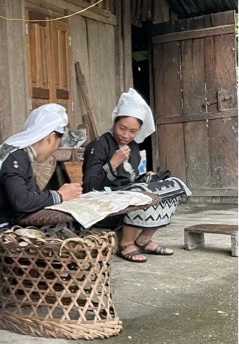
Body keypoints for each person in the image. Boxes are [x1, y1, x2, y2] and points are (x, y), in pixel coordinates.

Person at [82, 88, 191, 262]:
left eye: (133, 131)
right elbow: (89, 187)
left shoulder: (133, 147)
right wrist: (112, 164)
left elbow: (131, 179)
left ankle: (143, 239)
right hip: (104, 204)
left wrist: (147, 178)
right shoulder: (99, 145)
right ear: (114, 121)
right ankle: (125, 244)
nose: (126, 135)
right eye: (122, 128)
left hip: (127, 199)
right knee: (138, 191)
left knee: (174, 185)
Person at [0, 103, 83, 270]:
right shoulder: (15, 157)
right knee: (58, 264)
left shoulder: (16, 154)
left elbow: (32, 195)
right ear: (50, 137)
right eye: (57, 143)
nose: (55, 149)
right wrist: (59, 195)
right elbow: (21, 201)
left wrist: (59, 195)